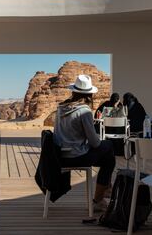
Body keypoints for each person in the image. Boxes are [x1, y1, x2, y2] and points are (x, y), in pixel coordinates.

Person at [54, 74, 115, 211]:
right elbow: (95, 143)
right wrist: (99, 139)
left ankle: (106, 189)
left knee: (107, 158)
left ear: (74, 91)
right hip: (76, 157)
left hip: (59, 157)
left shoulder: (60, 108)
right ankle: (99, 199)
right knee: (108, 150)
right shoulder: (84, 111)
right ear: (90, 95)